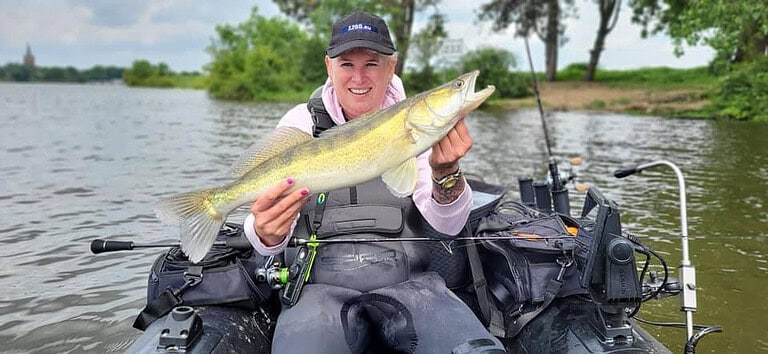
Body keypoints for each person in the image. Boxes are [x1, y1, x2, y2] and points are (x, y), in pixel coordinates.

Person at [242, 11, 505, 354]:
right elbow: (266, 238)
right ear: (329, 67)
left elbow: (449, 223)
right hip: (316, 292)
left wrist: (447, 173)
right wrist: (265, 233)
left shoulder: (417, 126)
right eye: (347, 64)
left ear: (391, 67)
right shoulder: (300, 124)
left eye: (372, 63)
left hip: (413, 285)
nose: (359, 77)